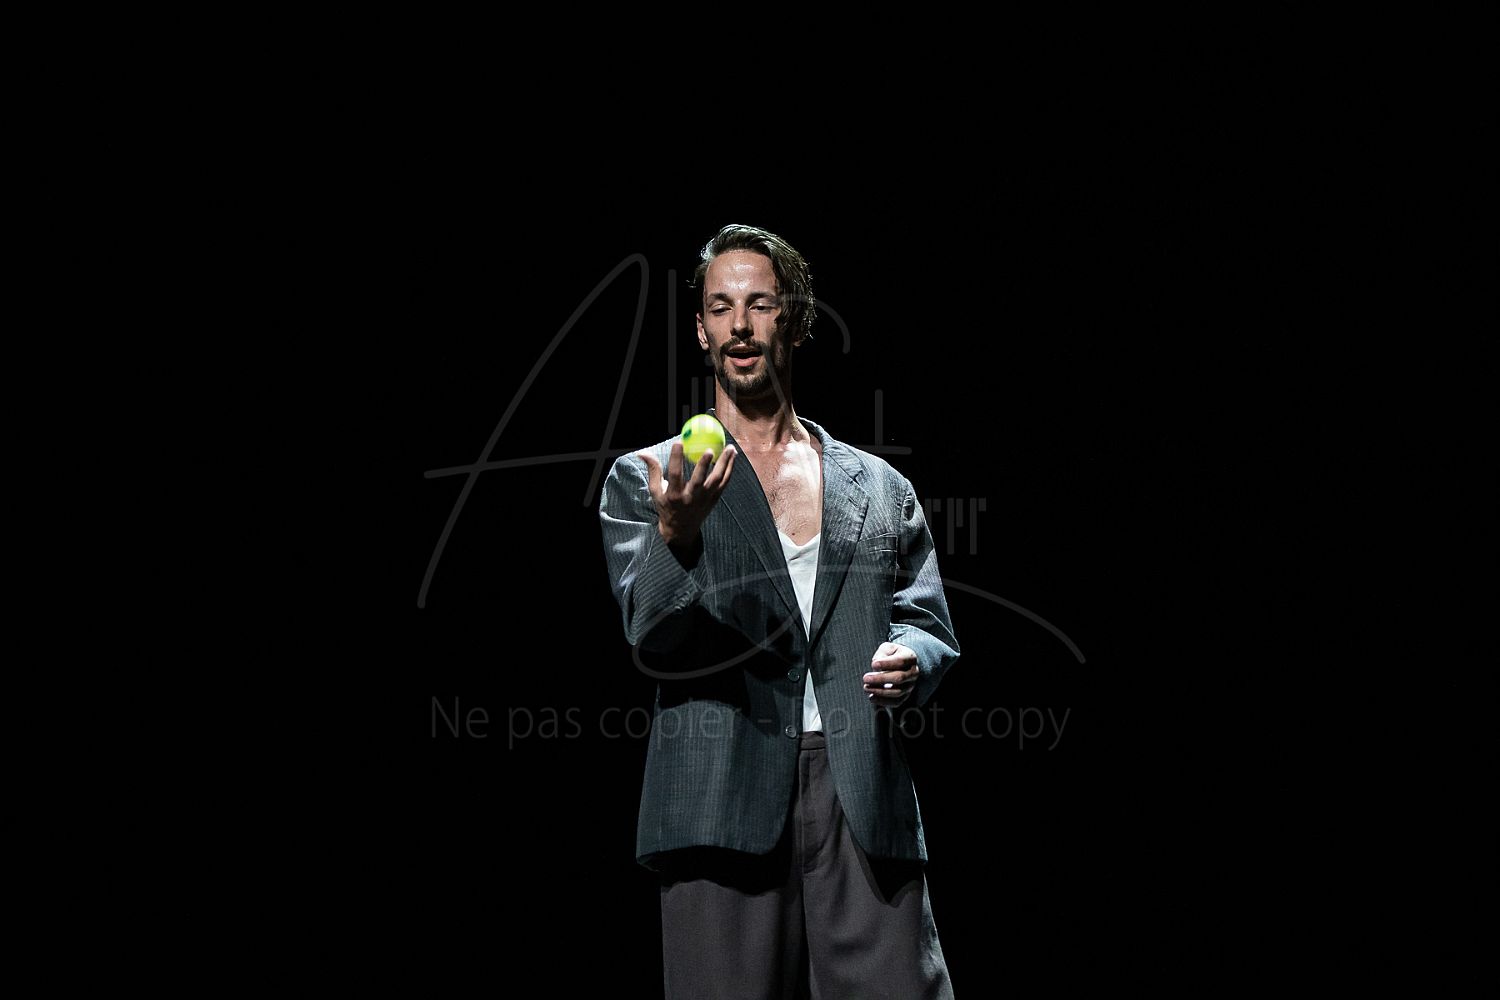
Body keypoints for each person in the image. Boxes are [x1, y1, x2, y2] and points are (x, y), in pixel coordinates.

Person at [598, 224, 960, 998]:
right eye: (720, 307)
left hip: (860, 795)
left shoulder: (878, 485)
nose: (739, 324)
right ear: (701, 331)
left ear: (794, 321)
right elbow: (650, 633)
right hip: (718, 798)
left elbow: (929, 624)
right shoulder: (652, 478)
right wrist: (675, 538)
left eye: (760, 304)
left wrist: (913, 656)